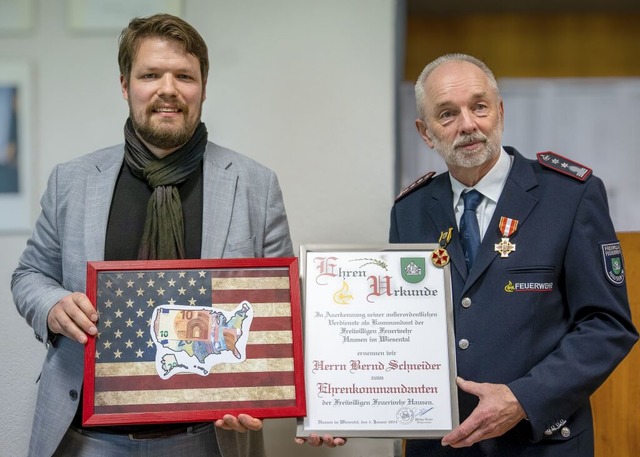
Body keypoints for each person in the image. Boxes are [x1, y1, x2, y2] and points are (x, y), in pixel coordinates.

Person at [12, 14, 293, 457]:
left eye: (184, 75)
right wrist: (52, 306)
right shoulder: (72, 180)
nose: (168, 89)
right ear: (125, 85)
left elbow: (278, 315)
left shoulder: (256, 185)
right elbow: (30, 275)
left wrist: (257, 386)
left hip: (209, 437)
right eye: (150, 75)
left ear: (203, 86)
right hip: (88, 436)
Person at [389, 53, 638, 456]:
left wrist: (523, 398)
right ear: (425, 131)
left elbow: (607, 324)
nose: (468, 124)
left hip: (540, 443)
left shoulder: (569, 197)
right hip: (441, 444)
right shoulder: (410, 211)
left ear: (500, 110)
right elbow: (396, 328)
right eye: (447, 114)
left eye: (479, 106)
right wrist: (341, 409)